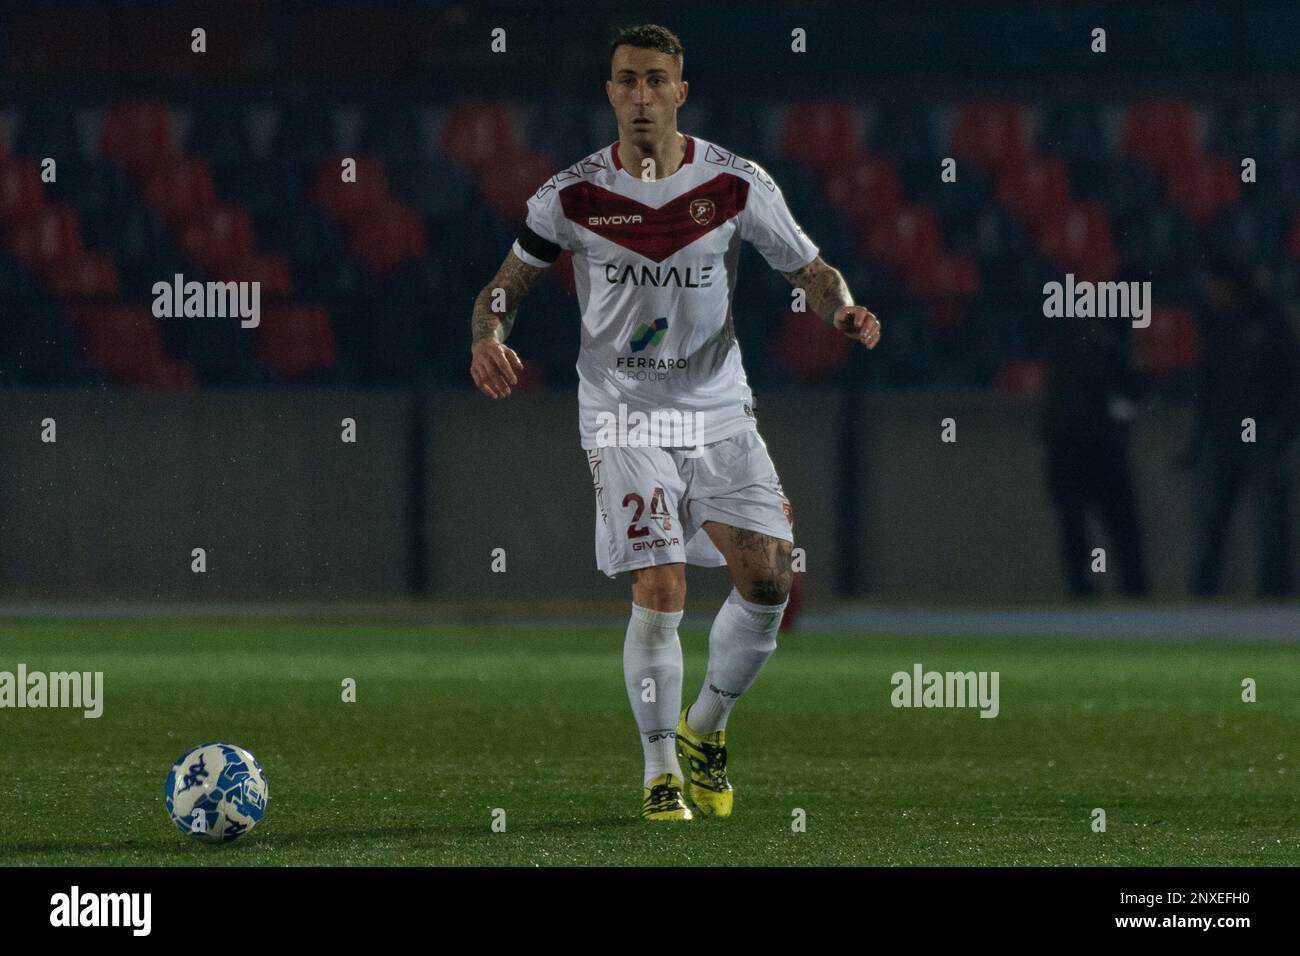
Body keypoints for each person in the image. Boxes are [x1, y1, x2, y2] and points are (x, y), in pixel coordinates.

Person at [468, 24, 880, 821]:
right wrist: (487, 335)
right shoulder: (572, 196)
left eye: (658, 79)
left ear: (680, 92)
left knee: (770, 579)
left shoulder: (735, 183)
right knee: (662, 584)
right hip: (623, 415)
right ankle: (659, 770)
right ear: (611, 92)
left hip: (721, 409)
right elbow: (506, 284)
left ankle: (705, 728)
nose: (643, 93)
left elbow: (809, 268)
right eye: (628, 79)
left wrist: (845, 309)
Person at [1182, 258, 1299, 598]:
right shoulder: (1214, 324)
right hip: (1220, 435)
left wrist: (1282, 428)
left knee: (1272, 527)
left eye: (1216, 284)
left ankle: (1275, 604)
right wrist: (1198, 440)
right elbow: (1205, 386)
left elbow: (1294, 379)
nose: (1210, 291)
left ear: (1231, 285)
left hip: (1262, 435)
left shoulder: (1271, 321)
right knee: (1209, 526)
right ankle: (1200, 604)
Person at [1039, 283, 1150, 597]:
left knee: (1077, 525)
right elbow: (1129, 388)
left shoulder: (1069, 334)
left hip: (1068, 443)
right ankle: (1132, 589)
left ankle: (1085, 589)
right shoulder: (1104, 340)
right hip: (1093, 444)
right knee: (1118, 524)